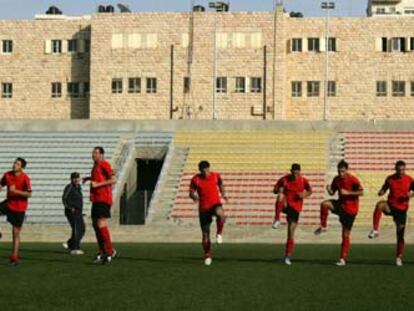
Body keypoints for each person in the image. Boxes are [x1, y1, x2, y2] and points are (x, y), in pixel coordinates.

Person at [314, 160, 363, 266]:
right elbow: (332, 192)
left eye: (343, 171)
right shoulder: (336, 179)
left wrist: (348, 192)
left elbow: (361, 192)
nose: (341, 173)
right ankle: (323, 226)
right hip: (341, 206)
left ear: (346, 170)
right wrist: (329, 190)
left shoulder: (352, 179)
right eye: (339, 171)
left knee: (345, 235)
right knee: (324, 204)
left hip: (351, 210)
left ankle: (342, 259)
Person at [368, 160, 414, 266]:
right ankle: (375, 230)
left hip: (402, 210)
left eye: (403, 170)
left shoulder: (409, 180)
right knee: (380, 204)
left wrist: (410, 195)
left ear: (405, 169)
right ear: (395, 169)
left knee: (400, 235)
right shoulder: (390, 179)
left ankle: (399, 256)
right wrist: (381, 192)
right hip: (391, 206)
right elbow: (384, 189)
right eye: (399, 170)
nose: (401, 172)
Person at [189, 161, 228, 266]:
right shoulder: (196, 179)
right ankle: (207, 254)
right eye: (203, 171)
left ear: (209, 168)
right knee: (205, 234)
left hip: (215, 203)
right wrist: (194, 197)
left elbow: (220, 184)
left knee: (221, 214)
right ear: (200, 171)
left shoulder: (215, 176)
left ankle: (219, 233)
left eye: (206, 170)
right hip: (204, 208)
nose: (205, 173)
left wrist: (223, 194)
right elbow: (191, 192)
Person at [83, 147, 117, 264]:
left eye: (96, 152)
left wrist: (98, 184)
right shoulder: (95, 166)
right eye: (93, 152)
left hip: (103, 198)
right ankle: (102, 250)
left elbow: (113, 179)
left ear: (102, 155)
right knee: (95, 225)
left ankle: (110, 250)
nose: (93, 154)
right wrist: (89, 179)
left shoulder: (104, 164)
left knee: (101, 224)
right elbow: (97, 178)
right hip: (96, 199)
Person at [273, 164, 312, 265]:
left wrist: (304, 195)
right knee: (280, 196)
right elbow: (275, 190)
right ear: (291, 171)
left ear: (299, 171)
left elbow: (310, 191)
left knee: (290, 233)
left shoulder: (303, 180)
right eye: (294, 172)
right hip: (286, 204)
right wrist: (279, 190)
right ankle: (277, 219)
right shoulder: (284, 179)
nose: (295, 174)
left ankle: (287, 257)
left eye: (297, 172)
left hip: (296, 208)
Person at [0, 158, 32, 265]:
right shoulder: (7, 175)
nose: (14, 165)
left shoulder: (25, 178)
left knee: (15, 233)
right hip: (9, 203)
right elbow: (1, 184)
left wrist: (15, 191)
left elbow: (29, 194)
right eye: (14, 163)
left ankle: (14, 257)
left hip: (19, 208)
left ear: (22, 167)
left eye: (17, 164)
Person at [62, 172, 85, 255]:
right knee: (76, 229)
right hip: (71, 212)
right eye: (74, 178)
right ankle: (75, 248)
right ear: (71, 179)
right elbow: (64, 199)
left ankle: (69, 243)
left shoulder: (79, 187)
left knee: (82, 230)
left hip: (79, 212)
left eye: (77, 178)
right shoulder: (69, 187)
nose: (76, 179)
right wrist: (70, 208)